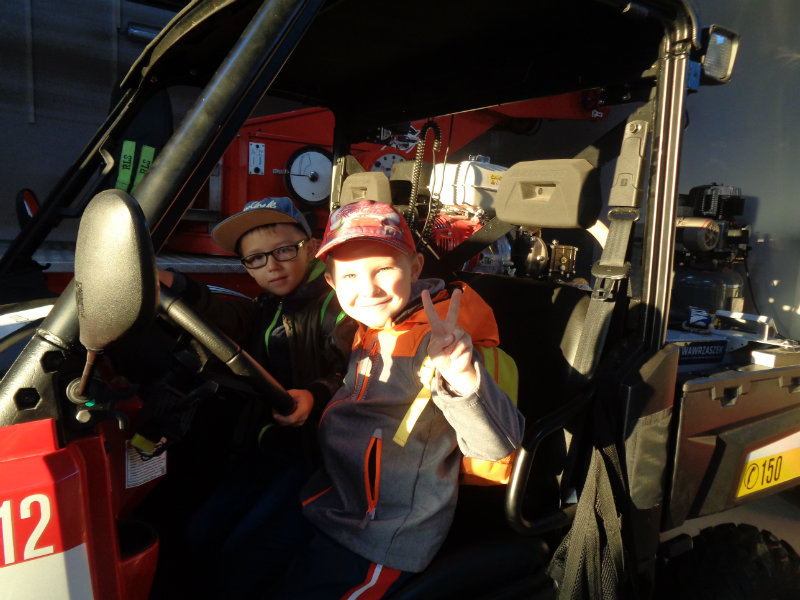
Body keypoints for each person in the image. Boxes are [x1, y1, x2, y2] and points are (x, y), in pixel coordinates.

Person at [274, 199, 525, 599]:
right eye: (350, 275)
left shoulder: (439, 343)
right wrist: (315, 394)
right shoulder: (369, 325)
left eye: (384, 270)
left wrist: (461, 375)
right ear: (332, 283)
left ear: (415, 268)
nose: (368, 289)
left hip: (386, 533)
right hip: (333, 499)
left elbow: (496, 444)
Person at [154, 197, 356, 597]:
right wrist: (174, 285)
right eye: (256, 259)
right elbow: (228, 319)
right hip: (269, 446)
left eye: (284, 251)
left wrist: (315, 395)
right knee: (199, 533)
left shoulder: (336, 304)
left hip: (314, 458)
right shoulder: (269, 305)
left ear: (311, 247)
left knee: (243, 557)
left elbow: (351, 371)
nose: (272, 266)